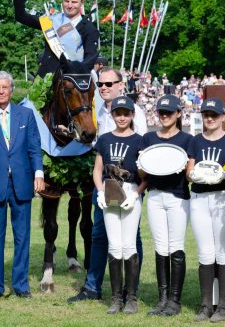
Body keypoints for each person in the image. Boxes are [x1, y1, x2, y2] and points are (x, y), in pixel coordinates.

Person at [68, 68, 146, 303]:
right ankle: (94, 287)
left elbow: (140, 153)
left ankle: (130, 290)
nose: (104, 87)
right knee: (99, 235)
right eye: (100, 84)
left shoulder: (137, 114)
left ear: (121, 85)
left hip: (129, 187)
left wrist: (136, 191)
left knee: (133, 238)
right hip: (103, 185)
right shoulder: (97, 110)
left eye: (109, 83)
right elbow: (98, 147)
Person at [0, 71, 44, 300]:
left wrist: (39, 173)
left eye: (5, 87)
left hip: (22, 184)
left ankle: (21, 284)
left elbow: (34, 147)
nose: (1, 91)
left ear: (12, 90)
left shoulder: (25, 115)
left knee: (22, 236)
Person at [186, 97, 225, 322]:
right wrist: (195, 174)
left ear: (222, 117)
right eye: (206, 115)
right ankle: (206, 305)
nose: (209, 119)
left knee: (223, 252)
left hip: (222, 198)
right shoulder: (195, 141)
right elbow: (189, 171)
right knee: (205, 252)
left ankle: (223, 307)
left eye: (214, 115)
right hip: (199, 198)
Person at [141, 95, 193, 316]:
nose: (164, 116)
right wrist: (142, 164)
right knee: (160, 246)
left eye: (169, 112)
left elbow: (190, 173)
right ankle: (162, 299)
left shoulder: (187, 140)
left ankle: (175, 300)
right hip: (154, 196)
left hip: (178, 196)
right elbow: (142, 172)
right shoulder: (148, 139)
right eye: (161, 112)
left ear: (178, 114)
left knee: (176, 246)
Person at [93, 96, 145, 314]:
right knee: (114, 245)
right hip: (109, 192)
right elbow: (97, 169)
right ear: (112, 115)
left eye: (126, 113)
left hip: (131, 192)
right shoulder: (104, 139)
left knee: (129, 244)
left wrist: (136, 194)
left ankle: (130, 297)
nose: (122, 117)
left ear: (132, 115)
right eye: (118, 113)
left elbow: (145, 175)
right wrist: (100, 191)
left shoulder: (140, 140)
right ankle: (116, 298)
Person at [14, 0, 99, 76]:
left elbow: (90, 59)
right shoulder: (50, 21)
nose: (69, 5)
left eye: (74, 2)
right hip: (46, 78)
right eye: (66, 1)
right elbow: (21, 16)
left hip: (71, 80)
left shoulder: (89, 28)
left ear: (81, 3)